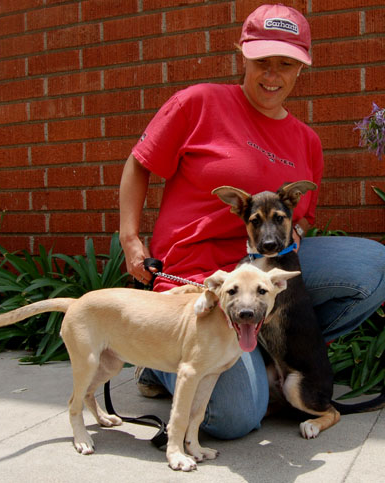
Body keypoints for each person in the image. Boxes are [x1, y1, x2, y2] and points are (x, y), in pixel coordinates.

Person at [119, 4, 385, 439]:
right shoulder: (198, 103)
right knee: (235, 417)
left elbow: (301, 224)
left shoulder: (307, 141)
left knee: (373, 267)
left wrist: (288, 248)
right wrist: (131, 241)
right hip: (197, 277)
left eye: (287, 64)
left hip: (262, 276)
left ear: (302, 67)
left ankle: (269, 349)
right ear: (243, 55)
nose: (272, 75)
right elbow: (139, 164)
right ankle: (160, 360)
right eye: (263, 61)